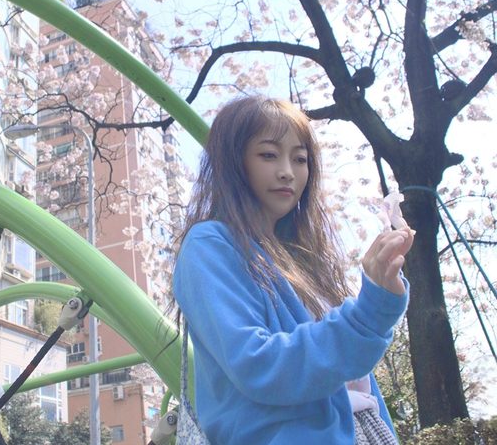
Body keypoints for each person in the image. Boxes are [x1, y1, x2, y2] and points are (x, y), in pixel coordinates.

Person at [172, 95, 414, 445]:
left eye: (300, 159)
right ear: (233, 162)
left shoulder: (303, 260)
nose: (287, 171)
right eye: (268, 155)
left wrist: (382, 294)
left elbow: (357, 385)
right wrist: (367, 315)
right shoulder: (209, 244)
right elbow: (258, 365)